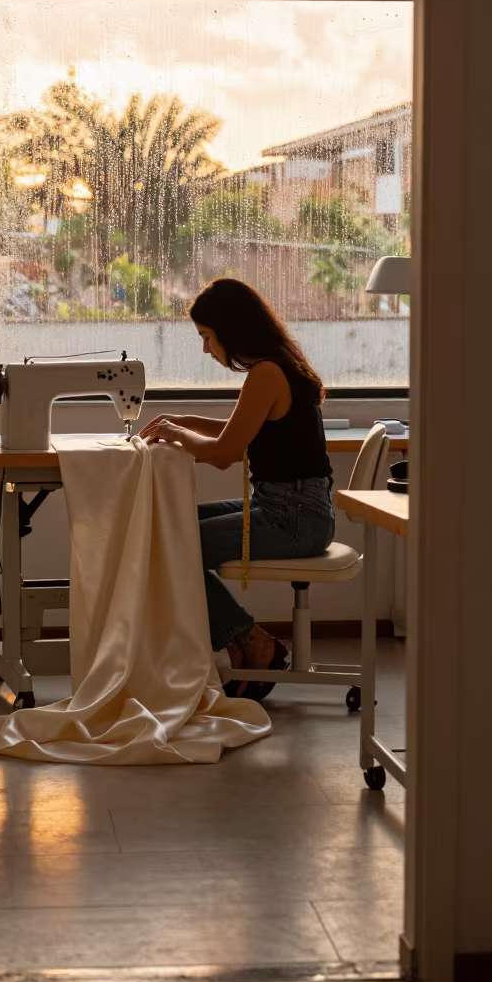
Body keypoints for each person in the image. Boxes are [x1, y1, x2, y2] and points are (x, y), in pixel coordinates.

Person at [141, 278, 335, 701]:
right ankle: (241, 640)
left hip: (293, 518)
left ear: (230, 330)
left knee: (167, 545)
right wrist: (185, 422)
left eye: (207, 337)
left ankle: (249, 639)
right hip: (293, 507)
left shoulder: (266, 374)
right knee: (167, 528)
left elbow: (225, 452)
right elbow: (244, 431)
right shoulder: (278, 366)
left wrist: (176, 432)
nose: (206, 349)